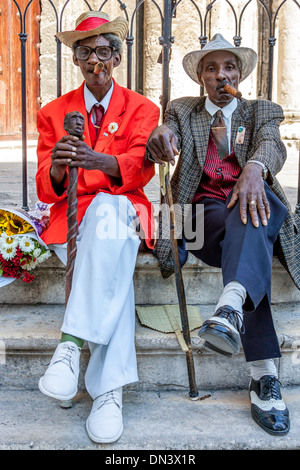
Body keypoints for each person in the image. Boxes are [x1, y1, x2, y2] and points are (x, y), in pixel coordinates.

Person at [147, 33, 300, 436]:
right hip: (204, 214)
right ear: (200, 76)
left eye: (228, 66)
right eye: (211, 68)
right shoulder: (183, 109)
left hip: (252, 206)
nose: (220, 75)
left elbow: (272, 146)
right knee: (250, 229)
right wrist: (161, 137)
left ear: (240, 72)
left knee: (253, 207)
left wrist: (253, 168)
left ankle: (231, 309)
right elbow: (167, 134)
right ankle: (265, 376)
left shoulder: (260, 110)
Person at [36, 10, 160, 443]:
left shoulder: (143, 108)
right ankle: (109, 393)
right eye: (86, 52)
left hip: (121, 210)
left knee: (108, 212)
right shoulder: (53, 113)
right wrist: (56, 167)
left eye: (104, 51)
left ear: (117, 57)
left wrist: (95, 162)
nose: (95, 60)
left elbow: (139, 168)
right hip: (70, 220)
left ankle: (70, 345)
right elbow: (45, 189)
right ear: (75, 59)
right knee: (114, 277)